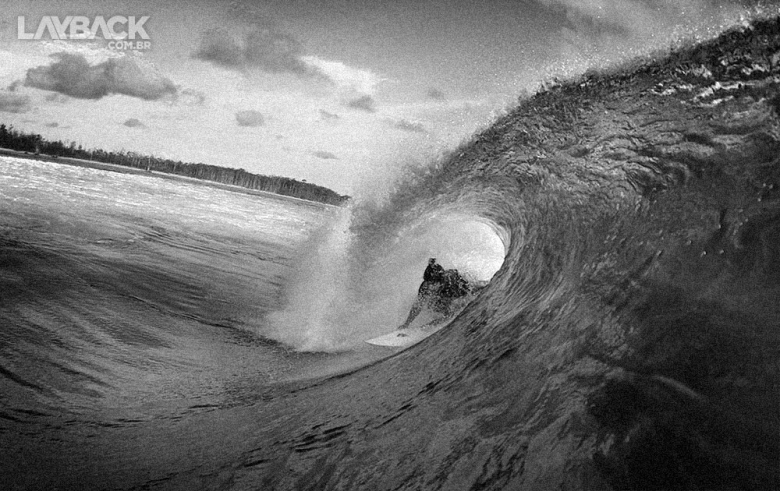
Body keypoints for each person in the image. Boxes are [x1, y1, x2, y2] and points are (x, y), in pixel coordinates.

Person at [399, 258, 471, 329]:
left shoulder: (450, 282)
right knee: (432, 306)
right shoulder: (425, 286)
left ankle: (435, 322)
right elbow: (418, 306)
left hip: (460, 290)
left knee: (448, 307)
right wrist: (406, 324)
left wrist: (431, 325)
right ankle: (437, 320)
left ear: (439, 282)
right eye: (427, 283)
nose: (429, 287)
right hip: (444, 292)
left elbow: (468, 292)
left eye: (432, 284)